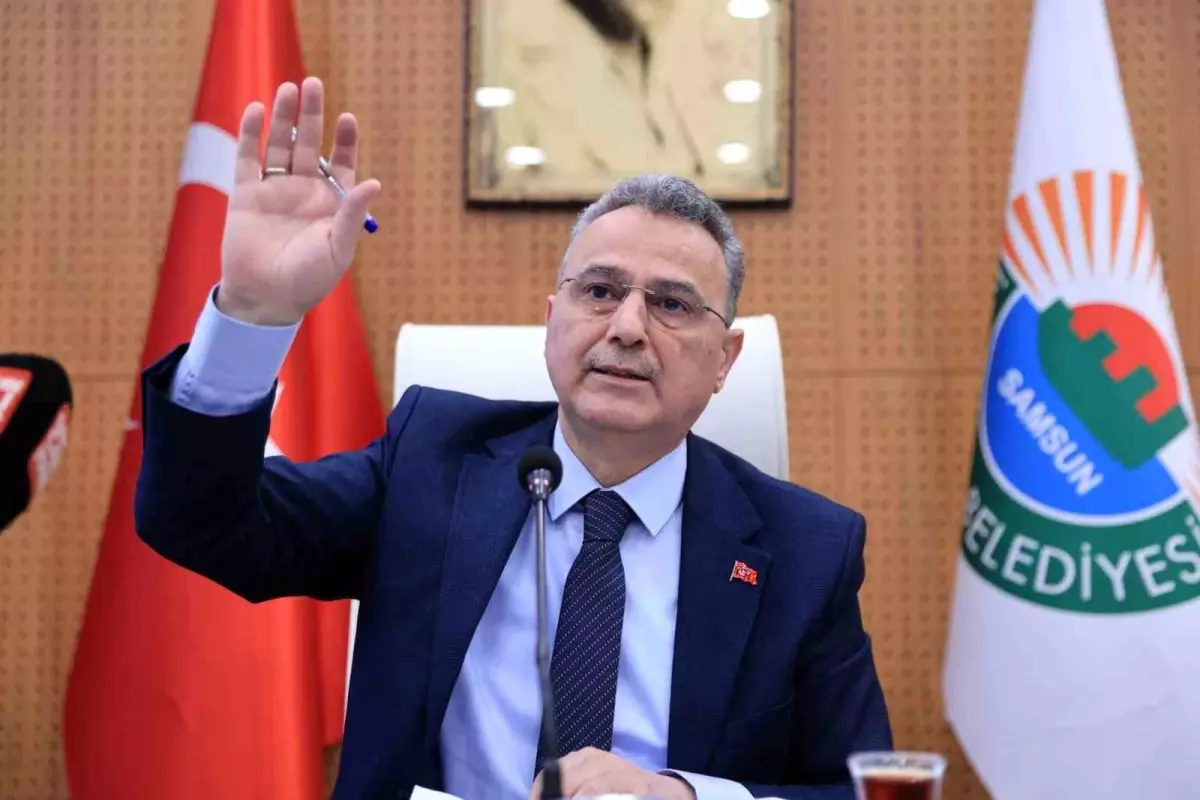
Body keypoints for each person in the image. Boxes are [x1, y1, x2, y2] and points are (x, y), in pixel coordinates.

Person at [134, 76, 892, 800]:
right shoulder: (433, 461)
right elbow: (199, 520)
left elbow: (867, 790)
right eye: (600, 291)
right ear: (552, 320)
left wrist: (680, 793)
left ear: (724, 359)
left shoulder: (806, 552)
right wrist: (252, 315)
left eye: (671, 305)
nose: (627, 327)